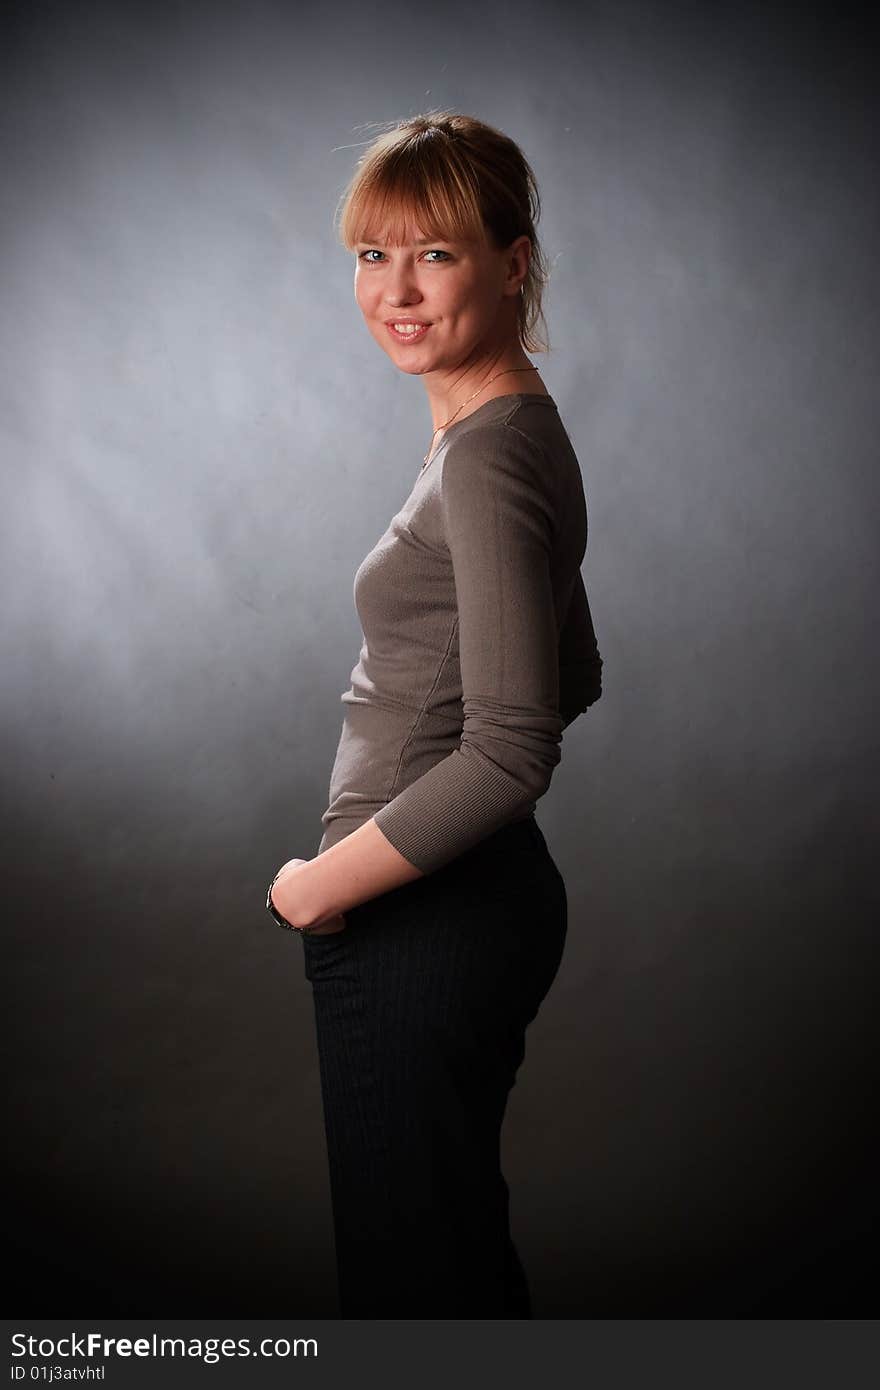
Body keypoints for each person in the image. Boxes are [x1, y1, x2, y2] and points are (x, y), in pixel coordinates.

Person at [267, 111, 603, 1318]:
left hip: (418, 917)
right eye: (372, 255)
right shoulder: (504, 428)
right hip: (460, 900)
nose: (396, 291)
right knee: (447, 1268)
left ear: (513, 261)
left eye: (436, 254)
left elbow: (515, 742)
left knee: (416, 1289)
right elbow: (575, 670)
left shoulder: (487, 455)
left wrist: (323, 887)